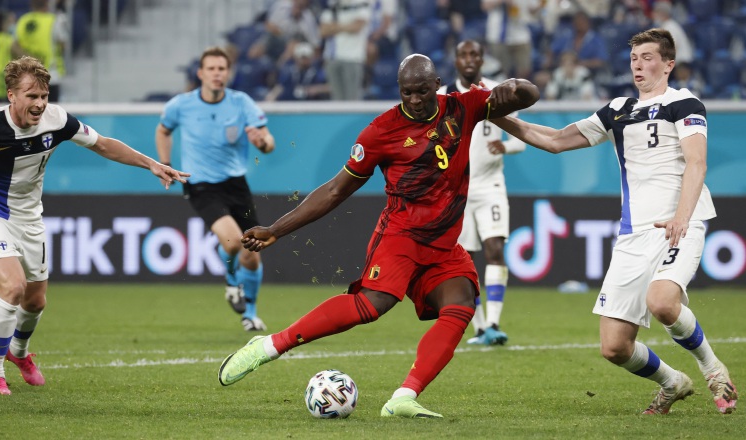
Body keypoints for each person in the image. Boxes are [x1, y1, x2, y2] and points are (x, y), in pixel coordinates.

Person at [217, 53, 539, 418]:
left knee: (462, 303)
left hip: (444, 243)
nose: (414, 100)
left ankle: (403, 397)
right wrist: (277, 229)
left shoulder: (464, 107)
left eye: (421, 91)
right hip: (401, 236)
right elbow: (335, 190)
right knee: (372, 305)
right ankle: (269, 346)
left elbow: (528, 94)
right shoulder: (381, 131)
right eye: (406, 93)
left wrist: (507, 88)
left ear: (437, 85)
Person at [491, 28, 738, 414]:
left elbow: (698, 162)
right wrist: (495, 117)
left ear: (669, 64)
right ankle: (672, 382)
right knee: (614, 347)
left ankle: (713, 369)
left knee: (662, 302)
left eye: (648, 57)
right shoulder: (618, 110)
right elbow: (555, 140)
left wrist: (681, 217)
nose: (638, 65)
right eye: (634, 58)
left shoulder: (684, 103)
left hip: (680, 224)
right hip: (633, 235)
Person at [0, 56, 189, 396]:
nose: (40, 103)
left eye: (44, 95)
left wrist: (151, 164)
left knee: (35, 300)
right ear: (11, 95)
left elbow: (102, 144)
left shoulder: (56, 119)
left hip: (30, 217)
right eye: (31, 96)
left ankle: (19, 353)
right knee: (13, 286)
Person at [156, 47, 276, 332]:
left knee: (253, 250)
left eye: (222, 69)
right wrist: (164, 163)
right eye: (211, 69)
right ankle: (232, 279)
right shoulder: (181, 105)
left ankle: (250, 313)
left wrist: (262, 143)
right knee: (234, 242)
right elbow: (163, 130)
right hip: (201, 185)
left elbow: (268, 143)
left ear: (228, 73)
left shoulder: (241, 103)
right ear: (200, 73)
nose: (217, 74)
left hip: (236, 185)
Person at [437, 40, 525, 345]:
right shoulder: (443, 97)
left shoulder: (495, 93)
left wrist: (507, 145)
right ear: (456, 60)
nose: (470, 59)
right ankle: (479, 327)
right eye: (464, 54)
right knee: (465, 259)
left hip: (491, 187)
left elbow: (521, 139)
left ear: (482, 60)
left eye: (475, 54)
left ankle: (494, 324)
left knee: (495, 250)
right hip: (457, 192)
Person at [14, 0, 68, 102]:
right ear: (47, 3)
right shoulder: (54, 20)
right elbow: (63, 46)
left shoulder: (23, 20)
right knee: (49, 113)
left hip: (26, 77)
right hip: (49, 75)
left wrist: (30, 59)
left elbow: (14, 46)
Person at [319, 0, 372, 100]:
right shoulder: (332, 8)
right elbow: (323, 31)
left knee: (352, 98)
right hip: (332, 58)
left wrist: (334, 27)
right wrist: (347, 25)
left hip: (352, 58)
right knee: (336, 99)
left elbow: (356, 27)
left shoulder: (361, 5)